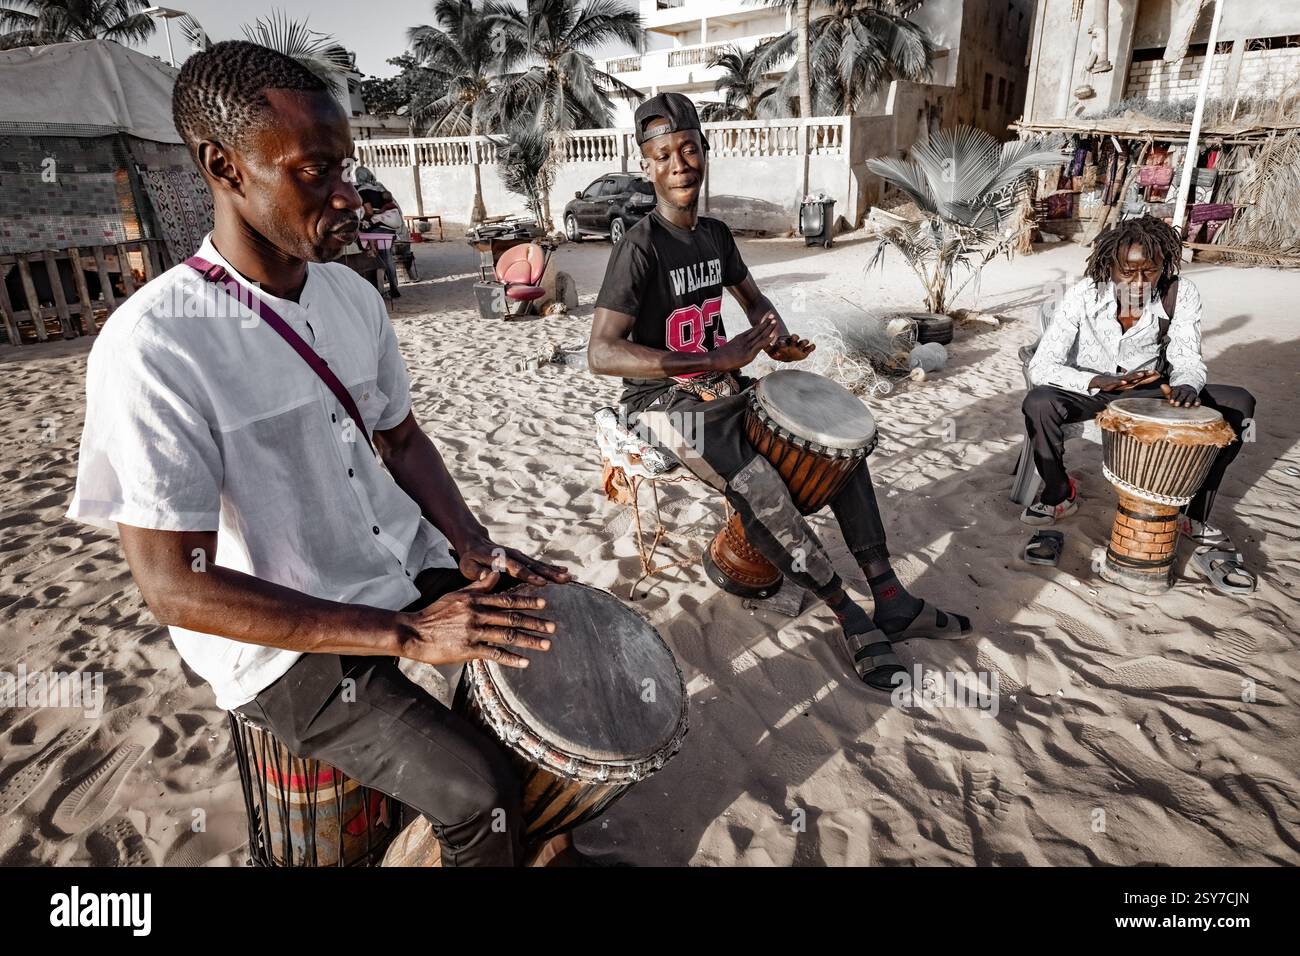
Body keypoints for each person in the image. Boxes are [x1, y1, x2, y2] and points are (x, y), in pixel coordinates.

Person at [66, 41, 577, 866]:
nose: (349, 198)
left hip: (396, 564)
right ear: (223, 166)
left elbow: (401, 437)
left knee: (557, 643)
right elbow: (173, 585)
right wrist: (408, 636)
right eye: (314, 173)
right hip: (282, 637)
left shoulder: (349, 295)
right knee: (477, 793)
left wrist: (472, 544)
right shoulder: (154, 346)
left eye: (347, 167)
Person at [587, 93, 973, 692]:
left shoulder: (714, 235)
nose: (679, 163)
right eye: (663, 154)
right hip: (658, 406)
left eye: (688, 148)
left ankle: (890, 595)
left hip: (719, 385)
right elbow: (602, 352)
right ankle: (847, 615)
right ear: (648, 165)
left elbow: (754, 299)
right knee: (759, 482)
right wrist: (712, 356)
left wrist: (776, 337)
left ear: (704, 152)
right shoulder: (639, 245)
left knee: (838, 446)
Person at [1022, 214, 1256, 595]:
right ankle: (1058, 493)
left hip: (1148, 391)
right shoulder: (1083, 293)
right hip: (1092, 389)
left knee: (1238, 404)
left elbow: (1187, 356)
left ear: (1164, 267)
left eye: (1150, 271)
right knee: (1039, 401)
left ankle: (1191, 513)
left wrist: (1185, 385)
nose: (1139, 282)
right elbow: (1043, 364)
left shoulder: (1180, 293)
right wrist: (1100, 381)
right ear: (1108, 265)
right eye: (1128, 271)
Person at [360, 187, 402, 298]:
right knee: (388, 259)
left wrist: (365, 220)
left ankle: (379, 292)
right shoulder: (380, 190)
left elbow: (368, 211)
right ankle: (394, 288)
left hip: (377, 231)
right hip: (390, 231)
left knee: (378, 261)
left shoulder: (363, 192)